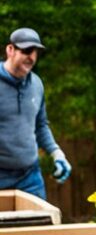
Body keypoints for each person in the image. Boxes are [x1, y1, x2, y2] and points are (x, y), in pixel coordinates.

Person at [0, 28, 71, 199]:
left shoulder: (36, 85)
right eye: (26, 50)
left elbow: (41, 125)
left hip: (30, 177)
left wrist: (57, 153)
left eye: (35, 52)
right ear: (10, 50)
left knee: (42, 222)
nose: (31, 57)